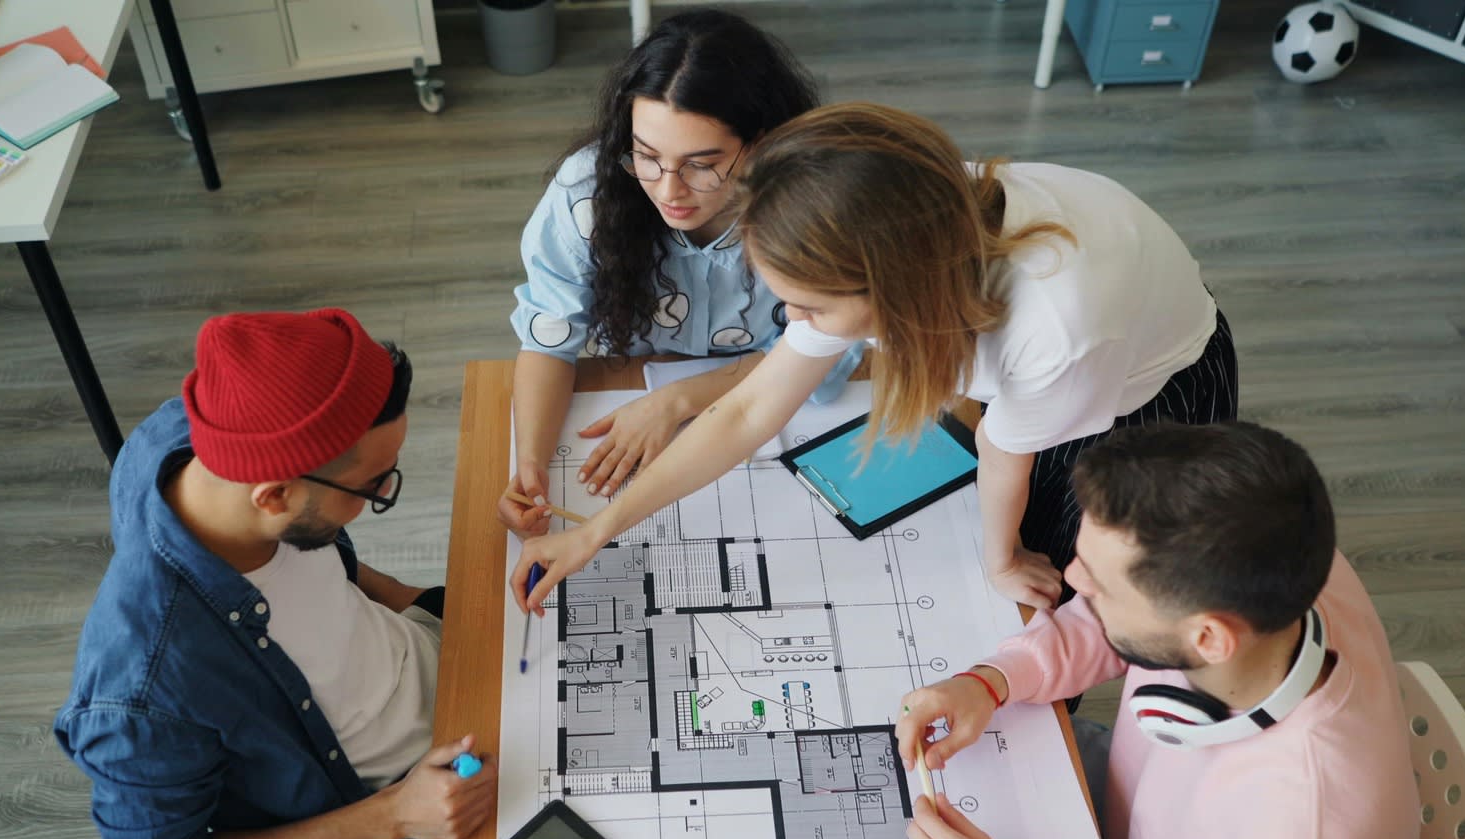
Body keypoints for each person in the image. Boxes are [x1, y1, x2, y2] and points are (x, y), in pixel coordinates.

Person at [508, 102, 1235, 613]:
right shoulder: (876, 224)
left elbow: (1004, 447)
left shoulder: (1055, 328)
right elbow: (748, 409)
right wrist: (596, 531)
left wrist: (1002, 560)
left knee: (1076, 579)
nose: (794, 325)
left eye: (813, 309)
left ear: (890, 287)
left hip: (1144, 391)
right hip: (1051, 343)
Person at [897, 421, 1419, 839]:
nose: (1071, 579)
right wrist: (991, 682)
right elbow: (1115, 625)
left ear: (1209, 639)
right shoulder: (1269, 563)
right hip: (1128, 837)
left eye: (1099, 587)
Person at [56, 309, 497, 839]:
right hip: (395, 802)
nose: (378, 498)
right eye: (373, 487)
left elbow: (324, 569)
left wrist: (426, 600)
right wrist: (396, 814)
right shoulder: (142, 693)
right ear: (274, 496)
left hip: (431, 668)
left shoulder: (198, 437)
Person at [498, 8, 860, 538]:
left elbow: (833, 351)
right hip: (656, 386)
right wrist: (529, 465)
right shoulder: (587, 194)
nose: (669, 191)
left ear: (760, 144)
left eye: (701, 164)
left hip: (777, 397)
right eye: (646, 156)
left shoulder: (813, 206)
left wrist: (678, 399)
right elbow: (548, 335)